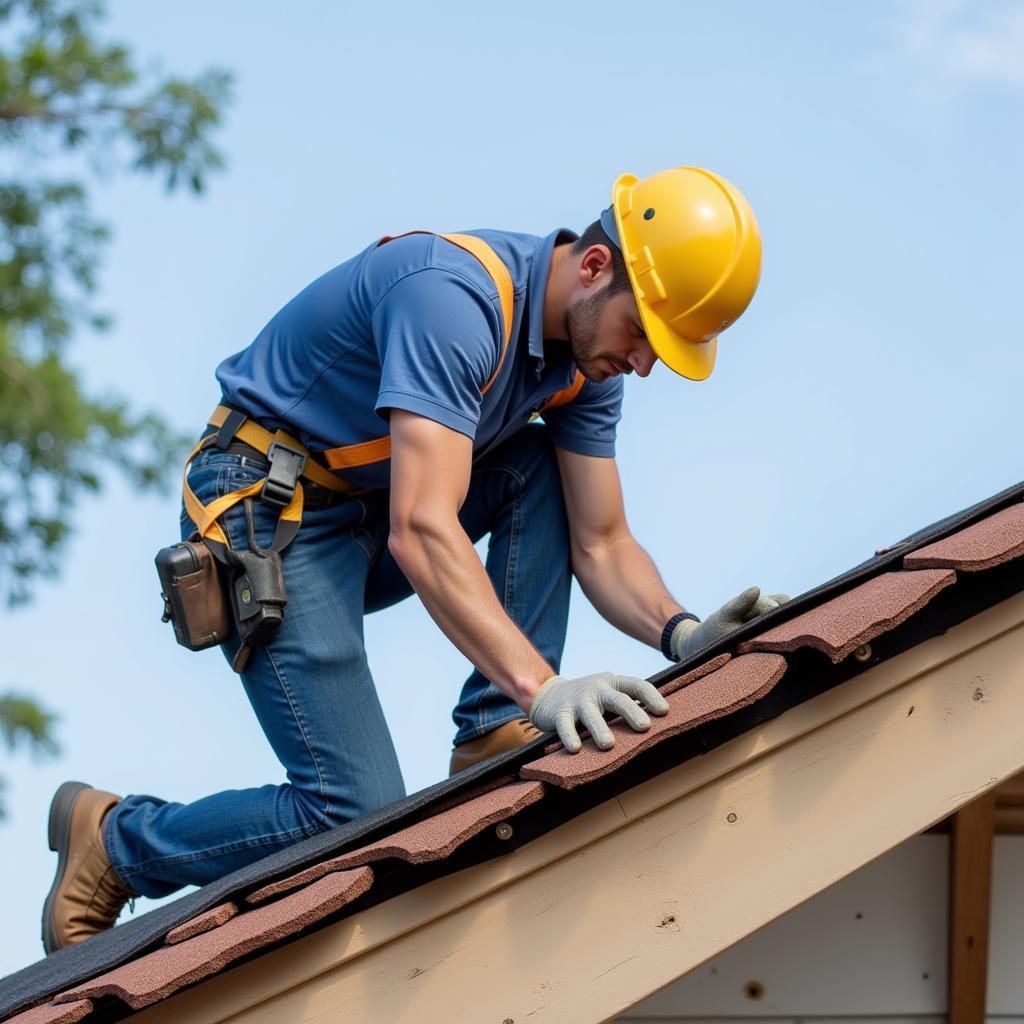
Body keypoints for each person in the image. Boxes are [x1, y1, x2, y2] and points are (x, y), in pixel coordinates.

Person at [42, 165, 787, 953]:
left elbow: (601, 542)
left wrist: (684, 635)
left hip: (370, 507)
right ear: (596, 268)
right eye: (644, 335)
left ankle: (492, 729)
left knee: (536, 470)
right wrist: (545, 686)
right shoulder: (453, 301)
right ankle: (116, 840)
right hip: (270, 507)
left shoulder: (583, 368)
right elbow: (424, 529)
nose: (644, 364)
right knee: (351, 813)